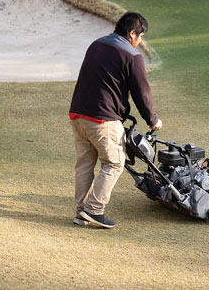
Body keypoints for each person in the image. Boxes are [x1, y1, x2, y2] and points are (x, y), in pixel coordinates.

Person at [68, 12, 162, 228]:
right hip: (102, 119)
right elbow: (142, 93)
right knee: (114, 163)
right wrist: (153, 120)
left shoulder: (96, 45)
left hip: (77, 114)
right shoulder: (131, 56)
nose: (139, 42)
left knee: (84, 164)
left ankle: (81, 211)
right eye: (140, 36)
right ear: (132, 33)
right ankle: (93, 210)